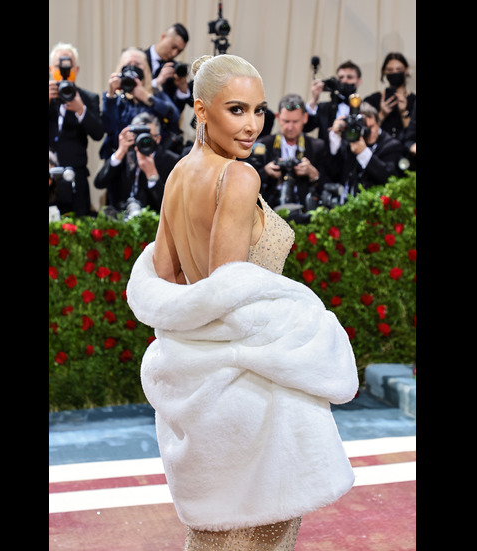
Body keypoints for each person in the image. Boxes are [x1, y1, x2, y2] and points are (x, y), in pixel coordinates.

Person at [125, 54, 358, 551]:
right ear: (201, 110)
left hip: (207, 392)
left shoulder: (177, 175)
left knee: (215, 540)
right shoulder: (238, 177)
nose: (252, 125)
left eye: (259, 110)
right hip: (254, 397)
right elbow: (227, 294)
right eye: (237, 110)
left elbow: (166, 281)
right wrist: (299, 321)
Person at [48, 42, 105, 217]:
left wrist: (81, 110)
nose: (64, 71)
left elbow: (98, 133)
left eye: (69, 66)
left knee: (80, 228)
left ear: (77, 69)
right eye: (59, 66)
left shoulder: (88, 98)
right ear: (51, 69)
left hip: (76, 178)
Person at [247, 93, 328, 216]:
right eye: (286, 121)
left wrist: (313, 173)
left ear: (305, 118)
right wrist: (265, 172)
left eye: (295, 121)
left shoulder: (317, 147)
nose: (290, 127)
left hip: (305, 211)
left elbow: (330, 183)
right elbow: (247, 184)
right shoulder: (263, 145)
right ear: (278, 118)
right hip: (268, 211)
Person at [100, 47, 181, 161]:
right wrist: (111, 95)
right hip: (122, 159)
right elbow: (107, 127)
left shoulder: (155, 94)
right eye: (128, 64)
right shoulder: (116, 99)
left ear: (146, 69)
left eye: (137, 64)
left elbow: (174, 117)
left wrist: (146, 97)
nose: (132, 68)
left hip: (153, 157)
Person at [93, 112, 179, 216]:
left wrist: (152, 174)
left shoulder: (171, 161)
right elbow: (99, 183)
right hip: (120, 216)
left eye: (149, 136)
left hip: (152, 218)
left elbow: (170, 207)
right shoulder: (125, 154)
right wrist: (119, 152)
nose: (144, 140)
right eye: (139, 135)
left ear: (158, 139)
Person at [324, 103, 402, 203]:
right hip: (347, 202)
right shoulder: (351, 142)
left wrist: (363, 153)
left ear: (378, 123)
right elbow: (334, 171)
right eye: (365, 128)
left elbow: (389, 178)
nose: (369, 132)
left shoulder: (391, 145)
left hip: (375, 205)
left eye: (371, 127)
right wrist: (335, 138)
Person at [363, 52, 416, 169]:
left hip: (407, 159)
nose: (394, 73)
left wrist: (403, 113)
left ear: (406, 70)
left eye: (398, 69)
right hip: (380, 157)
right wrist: (381, 114)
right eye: (390, 70)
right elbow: (366, 131)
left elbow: (412, 135)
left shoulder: (413, 101)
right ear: (384, 72)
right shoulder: (373, 100)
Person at [303, 60, 363, 142]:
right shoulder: (324, 108)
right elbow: (306, 127)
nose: (344, 80)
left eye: (349, 77)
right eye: (341, 77)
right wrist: (314, 99)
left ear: (359, 81)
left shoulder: (364, 109)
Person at [144, 23, 193, 116]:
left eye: (179, 51)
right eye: (173, 47)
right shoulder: (138, 59)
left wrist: (182, 88)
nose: (174, 53)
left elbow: (176, 113)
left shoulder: (174, 70)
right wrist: (157, 82)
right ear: (163, 37)